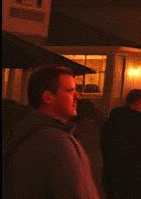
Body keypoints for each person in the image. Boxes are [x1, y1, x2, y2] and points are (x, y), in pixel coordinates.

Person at [2, 64, 101, 199]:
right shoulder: (54, 142)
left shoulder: (30, 133)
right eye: (70, 91)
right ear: (48, 97)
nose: (77, 96)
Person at [101, 90, 141, 198]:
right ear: (137, 103)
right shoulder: (137, 124)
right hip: (127, 174)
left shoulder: (112, 120)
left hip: (110, 170)